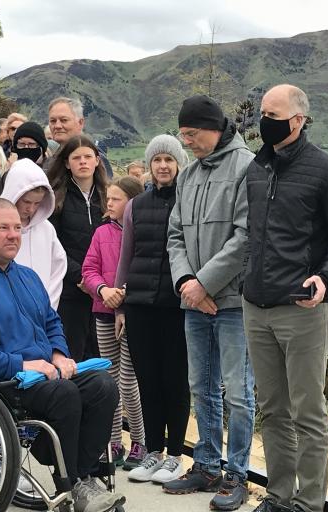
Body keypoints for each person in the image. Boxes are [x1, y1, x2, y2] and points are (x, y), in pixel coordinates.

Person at [0, 198, 126, 512]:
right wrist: (19, 364)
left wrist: (58, 353)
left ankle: (81, 477)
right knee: (63, 394)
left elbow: (50, 321)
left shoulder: (26, 276)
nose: (13, 234)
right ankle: (73, 484)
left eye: (16, 227)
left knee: (102, 386)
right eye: (3, 228)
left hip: (42, 374)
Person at [242, 84, 328, 512]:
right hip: (257, 306)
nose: (263, 121)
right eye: (262, 113)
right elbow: (252, 234)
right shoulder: (256, 169)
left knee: (307, 413)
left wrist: (327, 277)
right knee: (272, 410)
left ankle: (308, 504)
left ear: (297, 120)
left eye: (272, 114)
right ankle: (278, 497)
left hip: (304, 309)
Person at [166, 95, 255, 511]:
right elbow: (176, 235)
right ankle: (204, 463)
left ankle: (237, 473)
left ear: (213, 127)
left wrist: (204, 284)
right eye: (182, 135)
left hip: (234, 301)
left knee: (238, 392)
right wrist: (187, 282)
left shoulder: (246, 167)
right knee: (200, 387)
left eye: (192, 134)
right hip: (194, 301)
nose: (187, 142)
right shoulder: (187, 175)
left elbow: (245, 237)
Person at [113, 136, 190, 484]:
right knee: (147, 381)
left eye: (169, 160)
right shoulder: (136, 205)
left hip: (177, 306)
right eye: (157, 159)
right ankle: (153, 452)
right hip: (140, 304)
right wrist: (120, 308)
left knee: (175, 380)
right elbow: (126, 256)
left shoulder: (189, 202)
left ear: (179, 164)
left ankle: (175, 455)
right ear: (149, 165)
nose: (163, 166)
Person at [82, 176, 146, 470]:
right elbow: (90, 268)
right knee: (109, 378)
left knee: (129, 380)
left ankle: (140, 441)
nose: (109, 203)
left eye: (117, 199)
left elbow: (142, 269)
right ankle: (113, 442)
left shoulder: (141, 232)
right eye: (108, 198)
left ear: (132, 202)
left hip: (131, 313)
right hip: (103, 311)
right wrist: (103, 291)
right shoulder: (101, 232)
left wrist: (123, 295)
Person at [47, 135, 107, 362]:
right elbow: (54, 246)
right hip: (71, 290)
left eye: (87, 157)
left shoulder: (108, 197)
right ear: (66, 162)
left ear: (97, 160)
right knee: (73, 354)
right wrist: (81, 277)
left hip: (103, 292)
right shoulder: (55, 199)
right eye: (76, 157)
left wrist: (100, 282)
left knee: (103, 357)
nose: (82, 162)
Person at [0, 158, 67, 309]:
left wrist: (48, 306)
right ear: (14, 195)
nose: (31, 209)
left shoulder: (46, 229)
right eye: (26, 202)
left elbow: (58, 268)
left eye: (37, 203)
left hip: (41, 310)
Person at [47, 97, 113, 177]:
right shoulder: (51, 160)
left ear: (80, 123)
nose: (57, 126)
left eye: (64, 120)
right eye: (53, 121)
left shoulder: (95, 160)